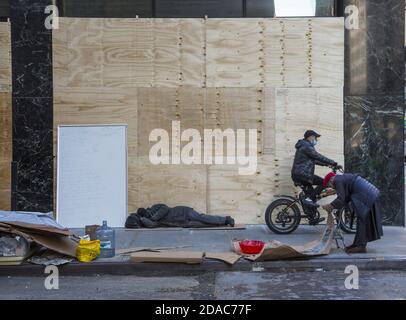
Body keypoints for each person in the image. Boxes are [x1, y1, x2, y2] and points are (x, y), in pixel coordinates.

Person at [322, 172, 383, 254]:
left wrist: (330, 205)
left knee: (362, 220)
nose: (331, 187)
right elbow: (345, 197)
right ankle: (357, 244)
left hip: (367, 194)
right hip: (369, 193)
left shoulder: (337, 180)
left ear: (330, 180)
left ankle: (360, 246)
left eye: (329, 185)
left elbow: (341, 199)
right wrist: (334, 205)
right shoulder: (341, 178)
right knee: (361, 219)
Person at [291, 130, 340, 224]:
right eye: (315, 137)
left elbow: (315, 160)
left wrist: (328, 165)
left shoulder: (303, 146)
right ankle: (308, 199)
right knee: (323, 182)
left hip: (300, 174)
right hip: (302, 174)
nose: (316, 140)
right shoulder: (306, 146)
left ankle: (312, 217)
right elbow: (318, 156)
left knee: (311, 195)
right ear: (310, 137)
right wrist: (333, 162)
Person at [125, 204, 235, 229]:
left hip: (184, 212)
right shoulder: (149, 219)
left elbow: (165, 208)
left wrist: (152, 217)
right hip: (181, 223)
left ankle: (226, 219)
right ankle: (222, 223)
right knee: (202, 225)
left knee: (203, 217)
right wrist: (143, 220)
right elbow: (152, 225)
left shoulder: (155, 207)